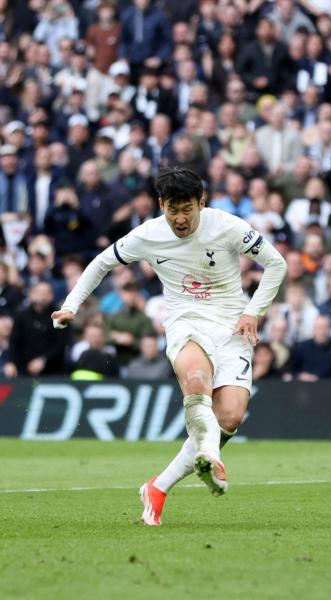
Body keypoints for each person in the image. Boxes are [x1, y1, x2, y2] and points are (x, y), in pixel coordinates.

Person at [52, 167, 287, 526]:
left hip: (231, 328)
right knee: (195, 380)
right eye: (172, 210)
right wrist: (71, 304)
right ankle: (210, 456)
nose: (179, 219)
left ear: (201, 203)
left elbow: (276, 263)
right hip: (184, 322)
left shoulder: (228, 226)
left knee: (230, 417)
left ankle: (157, 487)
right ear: (161, 204)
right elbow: (101, 263)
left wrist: (254, 311)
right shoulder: (148, 234)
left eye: (187, 210)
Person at [287, 314, 331, 380]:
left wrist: (319, 379)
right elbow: (291, 372)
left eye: (325, 327)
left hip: (328, 388)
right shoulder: (302, 348)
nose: (322, 331)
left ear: (330, 329)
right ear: (314, 329)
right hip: (304, 388)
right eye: (319, 327)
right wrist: (299, 376)